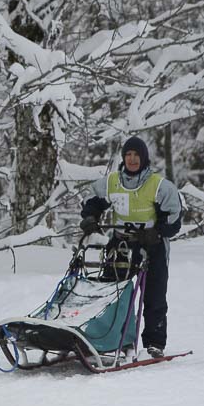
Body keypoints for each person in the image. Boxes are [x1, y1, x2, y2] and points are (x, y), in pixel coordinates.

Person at [79, 136, 182, 358]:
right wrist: (89, 218)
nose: (132, 159)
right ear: (123, 158)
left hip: (152, 246)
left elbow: (174, 220)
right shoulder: (112, 182)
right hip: (121, 243)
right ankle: (111, 338)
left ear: (143, 158)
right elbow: (92, 201)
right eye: (128, 155)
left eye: (136, 155)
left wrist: (157, 231)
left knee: (154, 296)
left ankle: (154, 343)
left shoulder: (159, 186)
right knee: (111, 292)